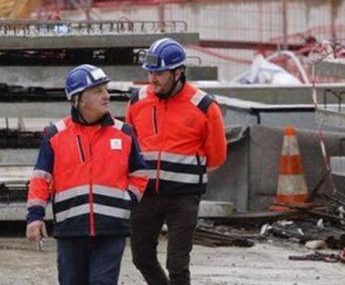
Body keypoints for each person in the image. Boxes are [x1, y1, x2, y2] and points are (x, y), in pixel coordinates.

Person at [26, 64, 149, 285]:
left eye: (105, 89)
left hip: (111, 231)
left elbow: (140, 174)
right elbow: (41, 178)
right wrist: (35, 217)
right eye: (97, 91)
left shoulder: (124, 134)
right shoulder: (55, 135)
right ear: (79, 99)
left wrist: (126, 201)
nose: (106, 95)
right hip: (70, 231)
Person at [126, 38, 227, 285]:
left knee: (177, 265)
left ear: (178, 72)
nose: (152, 79)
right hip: (146, 195)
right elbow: (130, 148)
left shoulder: (203, 106)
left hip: (184, 197)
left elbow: (217, 156)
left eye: (159, 73)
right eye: (150, 72)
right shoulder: (137, 101)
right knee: (141, 257)